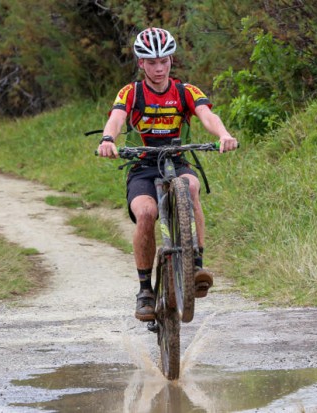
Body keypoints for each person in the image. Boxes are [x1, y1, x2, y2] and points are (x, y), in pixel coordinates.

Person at [97, 27, 238, 321]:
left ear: (171, 60)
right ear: (141, 64)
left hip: (177, 160)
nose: (159, 68)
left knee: (191, 187)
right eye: (152, 63)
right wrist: (108, 139)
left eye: (164, 61)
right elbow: (117, 118)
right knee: (146, 212)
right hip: (143, 166)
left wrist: (223, 134)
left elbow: (207, 115)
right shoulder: (131, 92)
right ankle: (145, 290)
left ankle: (195, 264)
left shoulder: (186, 91)